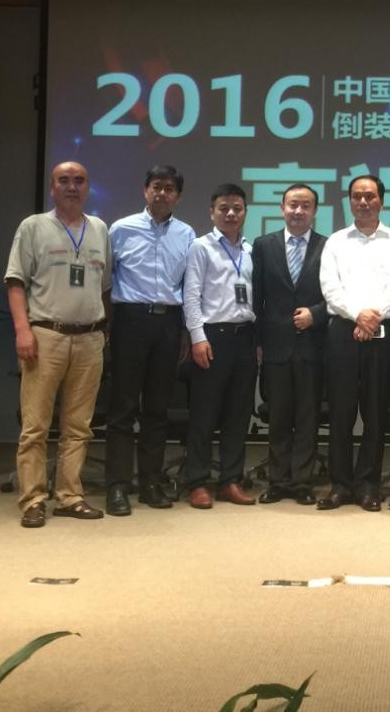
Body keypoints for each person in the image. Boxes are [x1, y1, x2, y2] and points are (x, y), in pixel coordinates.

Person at [5, 160, 111, 528]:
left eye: (79, 181)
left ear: (87, 188)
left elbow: (106, 286)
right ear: (52, 187)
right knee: (35, 426)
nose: (72, 187)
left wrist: (104, 331)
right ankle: (33, 499)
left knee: (79, 426)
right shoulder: (33, 227)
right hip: (45, 336)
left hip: (90, 338)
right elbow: (15, 283)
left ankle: (70, 496)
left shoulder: (99, 229)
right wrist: (23, 331)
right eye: (63, 180)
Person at [103, 165, 195, 516]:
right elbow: (105, 280)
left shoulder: (186, 234)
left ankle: (151, 483)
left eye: (169, 188)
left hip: (168, 323)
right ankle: (117, 485)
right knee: (123, 406)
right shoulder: (121, 229)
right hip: (130, 320)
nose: (162, 193)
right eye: (156, 186)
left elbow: (188, 286)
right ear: (145, 191)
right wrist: (107, 324)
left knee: (157, 408)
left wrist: (184, 329)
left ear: (178, 196)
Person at [317, 174, 390, 511]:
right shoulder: (336, 241)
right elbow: (330, 286)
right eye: (357, 196)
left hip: (381, 332)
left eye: (370, 196)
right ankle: (340, 485)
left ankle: (369, 484)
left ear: (381, 200)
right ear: (350, 201)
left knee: (375, 411)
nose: (364, 202)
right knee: (341, 412)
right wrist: (358, 316)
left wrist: (371, 319)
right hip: (343, 330)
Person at [182, 183, 258, 509]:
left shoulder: (251, 250)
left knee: (238, 414)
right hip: (213, 337)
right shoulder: (201, 247)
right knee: (204, 413)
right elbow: (191, 295)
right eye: (224, 208)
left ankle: (230, 480)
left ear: (245, 213)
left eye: (237, 208)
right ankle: (198, 482)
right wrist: (198, 338)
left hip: (246, 337)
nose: (230, 214)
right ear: (212, 212)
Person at [252, 184, 329, 505]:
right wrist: (257, 342)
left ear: (315, 211)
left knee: (308, 418)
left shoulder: (328, 246)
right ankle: (279, 480)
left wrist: (316, 314)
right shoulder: (263, 245)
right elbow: (256, 298)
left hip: (313, 345)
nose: (299, 211)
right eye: (293, 205)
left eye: (306, 206)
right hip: (276, 346)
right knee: (279, 417)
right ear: (282, 208)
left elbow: (337, 294)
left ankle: (302, 483)